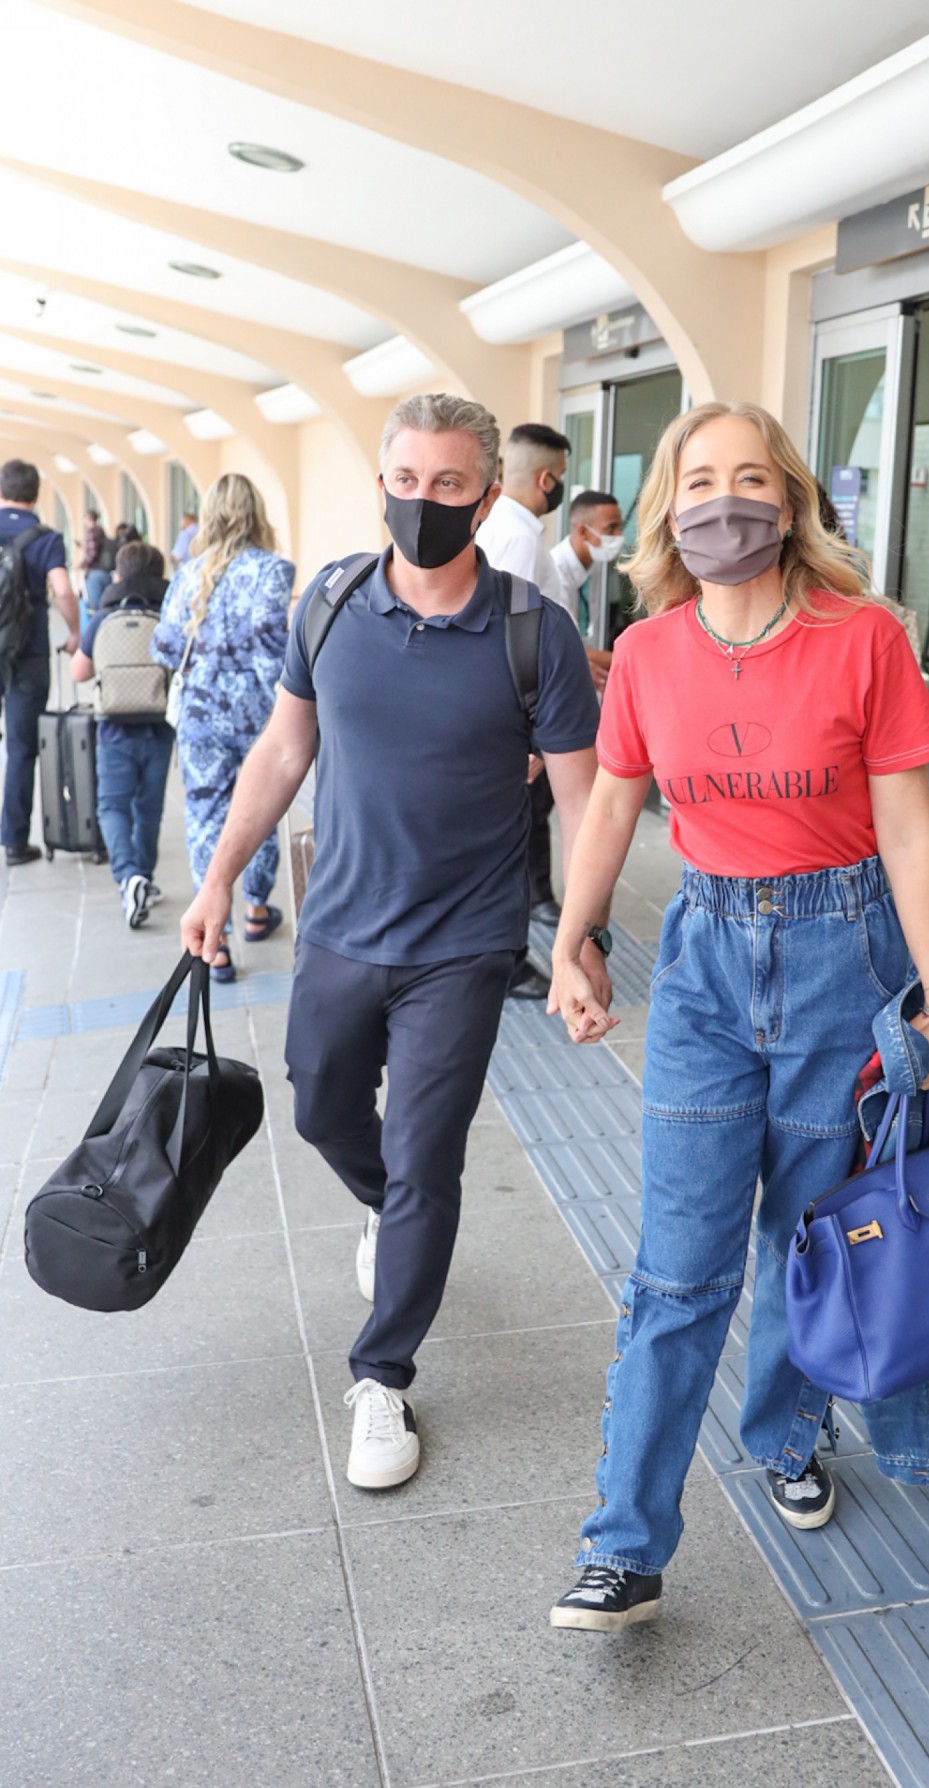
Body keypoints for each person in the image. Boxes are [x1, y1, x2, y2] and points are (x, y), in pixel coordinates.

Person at [545, 400, 929, 1633]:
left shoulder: (864, 638)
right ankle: (624, 1542)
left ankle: (787, 1433)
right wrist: (575, 938)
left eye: (750, 478)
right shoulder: (650, 649)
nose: (726, 500)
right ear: (671, 505)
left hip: (844, 955)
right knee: (677, 1271)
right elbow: (613, 808)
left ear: (788, 497)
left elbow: (905, 830)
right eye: (700, 479)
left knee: (807, 1235)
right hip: (706, 964)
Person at [179, 393, 601, 1491]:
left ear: (488, 495)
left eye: (449, 486)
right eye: (405, 483)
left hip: (464, 942)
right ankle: (389, 1207)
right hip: (342, 926)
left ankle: (384, 1377)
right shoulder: (330, 603)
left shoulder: (531, 630)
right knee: (319, 1104)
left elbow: (585, 795)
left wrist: (578, 940)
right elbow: (281, 751)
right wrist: (220, 878)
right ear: (383, 485)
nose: (423, 503)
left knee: (427, 1158)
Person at [151, 474, 294, 981]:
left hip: (199, 716)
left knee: (207, 816)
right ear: (257, 512)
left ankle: (220, 942)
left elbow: (164, 646)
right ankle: (256, 908)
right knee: (259, 805)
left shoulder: (189, 573)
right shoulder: (274, 571)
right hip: (257, 714)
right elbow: (271, 650)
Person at [476, 422, 573, 962]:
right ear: (545, 477)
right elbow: (507, 641)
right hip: (522, 722)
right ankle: (507, 961)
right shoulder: (515, 536)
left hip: (524, 720)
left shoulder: (513, 529)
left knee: (525, 827)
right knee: (514, 834)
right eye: (558, 478)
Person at [70, 540, 172, 927]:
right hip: (159, 726)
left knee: (113, 806)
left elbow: (79, 672)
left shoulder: (103, 617)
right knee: (148, 807)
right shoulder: (167, 614)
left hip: (113, 729)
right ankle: (144, 876)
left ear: (120, 575)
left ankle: (128, 877)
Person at [0, 458, 79, 865]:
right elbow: (63, 589)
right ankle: (14, 842)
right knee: (20, 747)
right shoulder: (45, 538)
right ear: (36, 494)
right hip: (27, 654)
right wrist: (75, 631)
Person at [550, 489, 624, 691]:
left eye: (620, 527)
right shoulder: (554, 571)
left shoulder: (597, 567)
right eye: (611, 528)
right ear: (583, 531)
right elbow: (566, 646)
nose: (619, 536)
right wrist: (629, 656)